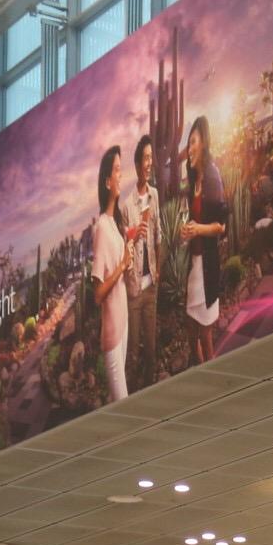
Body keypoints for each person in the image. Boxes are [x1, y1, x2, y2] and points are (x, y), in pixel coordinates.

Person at [181, 115, 229, 362]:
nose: (189, 149)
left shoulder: (212, 175)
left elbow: (221, 226)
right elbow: (195, 224)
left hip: (207, 267)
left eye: (193, 142)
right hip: (194, 266)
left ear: (204, 143)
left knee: (206, 335)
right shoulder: (194, 183)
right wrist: (188, 232)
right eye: (188, 144)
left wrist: (198, 229)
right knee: (192, 330)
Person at [91, 144, 131, 404]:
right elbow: (97, 295)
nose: (121, 174)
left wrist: (128, 256)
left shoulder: (115, 225)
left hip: (123, 324)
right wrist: (120, 267)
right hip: (113, 336)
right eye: (117, 170)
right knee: (123, 407)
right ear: (107, 181)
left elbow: (122, 267)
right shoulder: (102, 228)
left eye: (120, 168)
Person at [121, 134, 159, 392]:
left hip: (152, 286)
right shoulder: (126, 206)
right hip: (135, 290)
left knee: (151, 346)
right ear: (136, 165)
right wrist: (135, 235)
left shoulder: (155, 195)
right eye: (145, 158)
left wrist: (160, 272)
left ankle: (151, 391)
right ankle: (131, 398)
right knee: (133, 350)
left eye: (150, 157)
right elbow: (125, 249)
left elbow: (158, 236)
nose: (149, 162)